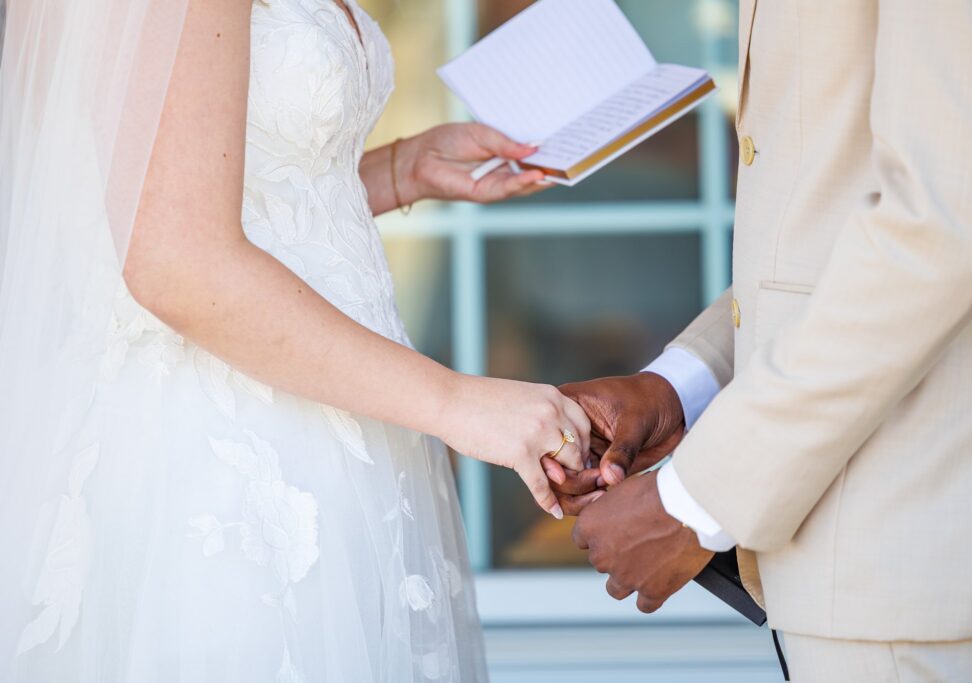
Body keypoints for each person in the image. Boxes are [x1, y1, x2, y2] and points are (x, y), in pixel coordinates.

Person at [0, 0, 590, 680]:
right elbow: (176, 262)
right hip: (214, 465)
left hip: (325, 421)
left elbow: (193, 195)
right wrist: (458, 402)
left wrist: (400, 170)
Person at [560, 2, 972, 681]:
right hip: (854, 572)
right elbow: (831, 227)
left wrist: (696, 501)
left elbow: (945, 227)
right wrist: (682, 383)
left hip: (912, 567)